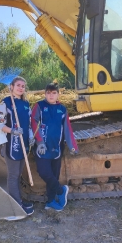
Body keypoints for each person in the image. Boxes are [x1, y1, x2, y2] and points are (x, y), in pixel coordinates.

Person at [0, 76, 35, 215]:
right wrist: (12, 130)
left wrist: (31, 136)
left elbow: (29, 123)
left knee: (19, 174)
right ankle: (16, 205)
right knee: (13, 175)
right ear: (12, 87)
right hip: (12, 144)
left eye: (23, 86)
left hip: (24, 143)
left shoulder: (26, 104)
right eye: (18, 85)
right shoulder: (6, 103)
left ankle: (18, 199)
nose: (21, 88)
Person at [31, 82, 79, 211]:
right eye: (48, 93)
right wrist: (40, 142)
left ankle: (50, 201)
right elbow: (33, 122)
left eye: (54, 93)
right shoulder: (39, 106)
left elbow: (67, 128)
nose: (51, 95)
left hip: (56, 147)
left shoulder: (62, 109)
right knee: (44, 172)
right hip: (42, 147)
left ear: (58, 94)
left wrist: (72, 146)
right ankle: (61, 190)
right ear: (45, 94)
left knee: (54, 174)